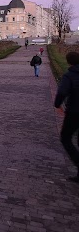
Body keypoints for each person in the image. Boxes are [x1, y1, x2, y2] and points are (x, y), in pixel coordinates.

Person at [54, 51, 79, 183]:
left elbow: (62, 91)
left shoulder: (69, 76)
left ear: (69, 62)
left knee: (66, 138)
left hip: (75, 112)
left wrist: (57, 103)